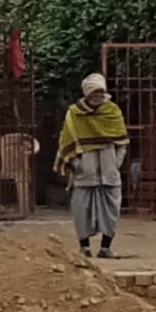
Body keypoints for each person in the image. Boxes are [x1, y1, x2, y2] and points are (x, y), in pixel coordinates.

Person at [54, 73, 129, 258]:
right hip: (84, 174)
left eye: (100, 92)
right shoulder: (74, 113)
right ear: (86, 94)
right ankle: (84, 247)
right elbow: (66, 142)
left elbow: (122, 142)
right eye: (93, 92)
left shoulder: (113, 111)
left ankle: (105, 248)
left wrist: (116, 163)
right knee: (81, 211)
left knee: (111, 210)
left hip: (109, 173)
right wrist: (75, 162)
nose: (97, 96)